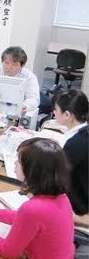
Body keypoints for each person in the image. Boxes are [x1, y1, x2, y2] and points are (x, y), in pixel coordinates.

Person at [53, 89, 88, 217]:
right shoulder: (83, 134)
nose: (54, 112)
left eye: (56, 109)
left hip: (78, 205)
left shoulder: (76, 143)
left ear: (67, 115)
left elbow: (55, 175)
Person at [0, 46, 40, 116]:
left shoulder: (29, 77)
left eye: (14, 65)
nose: (9, 67)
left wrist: (25, 106)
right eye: (6, 63)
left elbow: (34, 99)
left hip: (16, 112)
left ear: (22, 66)